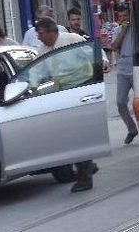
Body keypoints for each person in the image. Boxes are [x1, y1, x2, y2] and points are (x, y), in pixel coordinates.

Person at [35, 18, 96, 193]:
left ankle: (85, 177)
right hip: (59, 97)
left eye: (40, 34)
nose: (38, 38)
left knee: (78, 135)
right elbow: (38, 75)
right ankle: (85, 167)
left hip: (80, 90)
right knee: (69, 137)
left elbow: (93, 53)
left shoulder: (72, 40)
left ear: (50, 31)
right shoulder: (42, 51)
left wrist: (103, 64)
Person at [111, 6, 139, 145]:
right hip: (122, 70)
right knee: (120, 101)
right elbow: (114, 46)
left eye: (125, 16)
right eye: (120, 16)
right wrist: (122, 31)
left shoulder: (136, 30)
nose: (123, 19)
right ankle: (131, 128)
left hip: (135, 68)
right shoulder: (117, 30)